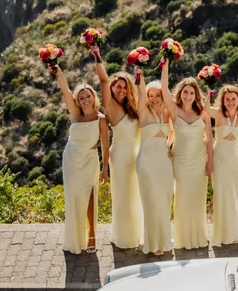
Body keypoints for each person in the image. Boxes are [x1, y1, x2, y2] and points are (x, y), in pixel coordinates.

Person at [53, 67, 109, 255]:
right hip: (71, 160)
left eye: (88, 96)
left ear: (94, 97)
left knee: (90, 197)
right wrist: (57, 68)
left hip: (89, 161)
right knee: (74, 198)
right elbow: (65, 89)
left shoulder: (101, 119)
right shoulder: (75, 113)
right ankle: (75, 238)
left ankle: (92, 235)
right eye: (81, 97)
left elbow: (105, 145)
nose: (85, 100)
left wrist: (105, 169)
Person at [93, 54, 143, 250]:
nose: (121, 90)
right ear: (113, 88)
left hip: (137, 155)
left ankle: (138, 233)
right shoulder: (111, 106)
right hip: (121, 157)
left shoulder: (132, 106)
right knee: (124, 196)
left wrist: (139, 69)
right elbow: (103, 80)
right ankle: (124, 238)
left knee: (136, 195)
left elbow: (142, 90)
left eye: (124, 87)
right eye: (118, 86)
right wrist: (97, 55)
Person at [162, 65, 214, 250]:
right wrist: (166, 63)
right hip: (180, 161)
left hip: (200, 160)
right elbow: (164, 88)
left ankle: (199, 236)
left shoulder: (203, 113)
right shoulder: (174, 111)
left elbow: (209, 140)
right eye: (185, 92)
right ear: (180, 93)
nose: (188, 96)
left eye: (192, 93)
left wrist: (210, 162)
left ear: (196, 95)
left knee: (198, 199)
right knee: (182, 198)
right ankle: (183, 238)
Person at [135, 69, 174, 256]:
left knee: (165, 200)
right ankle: (153, 243)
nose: (154, 98)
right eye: (151, 95)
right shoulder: (143, 112)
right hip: (147, 164)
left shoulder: (167, 114)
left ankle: (165, 239)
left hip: (165, 163)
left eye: (158, 95)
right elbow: (140, 93)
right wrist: (139, 74)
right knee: (151, 201)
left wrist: (170, 145)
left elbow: (172, 132)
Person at [208, 84, 238, 247]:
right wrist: (208, 88)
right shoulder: (218, 113)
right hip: (219, 159)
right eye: (227, 99)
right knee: (220, 195)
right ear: (223, 101)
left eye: (234, 99)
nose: (231, 102)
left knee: (234, 196)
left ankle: (235, 231)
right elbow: (203, 107)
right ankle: (221, 234)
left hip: (235, 160)